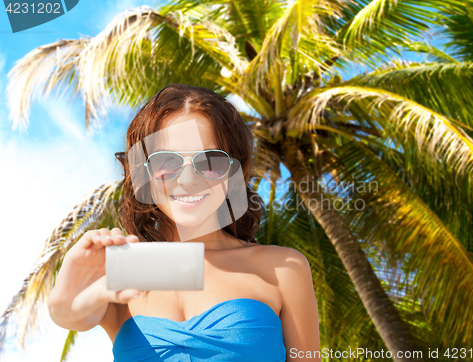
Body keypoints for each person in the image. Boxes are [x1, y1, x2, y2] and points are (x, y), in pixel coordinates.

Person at [47, 83, 321, 361]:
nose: (189, 180)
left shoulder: (282, 269)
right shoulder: (124, 269)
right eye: (166, 162)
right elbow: (72, 315)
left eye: (210, 161)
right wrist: (63, 300)